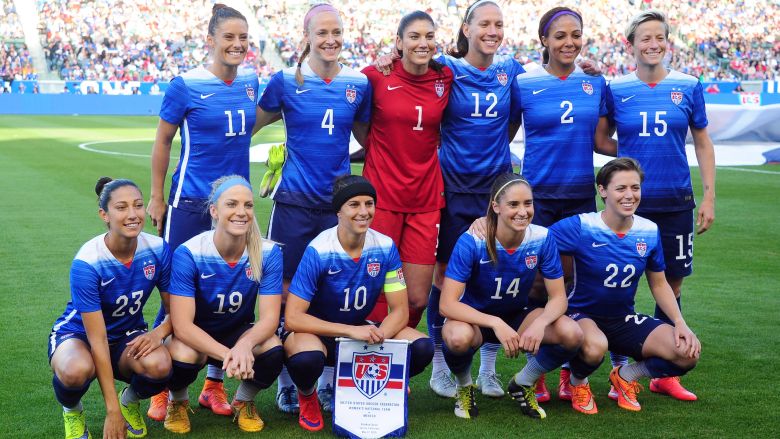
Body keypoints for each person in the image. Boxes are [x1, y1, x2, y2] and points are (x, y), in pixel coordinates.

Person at [255, 3, 372, 414]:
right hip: (292, 205)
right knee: (286, 294)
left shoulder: (357, 84)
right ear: (306, 37)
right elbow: (248, 125)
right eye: (321, 32)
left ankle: (324, 381)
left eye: (336, 31)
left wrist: (349, 167)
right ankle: (289, 384)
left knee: (330, 293)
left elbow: (369, 140)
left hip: (336, 208)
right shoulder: (285, 81)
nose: (330, 39)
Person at [146, 4, 259, 419]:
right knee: (175, 295)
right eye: (229, 36)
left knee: (232, 292)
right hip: (191, 204)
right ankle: (165, 387)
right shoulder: (186, 84)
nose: (237, 44)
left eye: (243, 37)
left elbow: (248, 123)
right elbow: (162, 142)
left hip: (234, 207)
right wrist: (157, 197)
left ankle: (213, 386)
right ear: (210, 40)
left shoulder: (251, 80)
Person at [605, 10, 715, 401]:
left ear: (667, 42)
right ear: (630, 44)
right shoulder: (616, 87)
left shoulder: (688, 85)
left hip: (675, 201)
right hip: (629, 204)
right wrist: (635, 156)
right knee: (623, 282)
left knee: (672, 282)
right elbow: (601, 139)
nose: (653, 45)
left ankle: (662, 371)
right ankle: (622, 365)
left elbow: (702, 141)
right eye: (644, 38)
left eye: (659, 38)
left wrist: (709, 195)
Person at [510, 6, 616, 403]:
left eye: (576, 35)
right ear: (544, 41)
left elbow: (603, 142)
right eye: (560, 36)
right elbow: (501, 135)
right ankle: (537, 369)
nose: (569, 42)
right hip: (537, 199)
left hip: (579, 198)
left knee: (572, 284)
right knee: (537, 285)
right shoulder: (524, 83)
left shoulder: (595, 82)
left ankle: (570, 371)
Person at [549, 157, 701, 413]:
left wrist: (679, 323)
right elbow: (534, 236)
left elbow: (660, 284)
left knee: (687, 353)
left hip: (622, 320)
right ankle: (577, 382)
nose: (629, 195)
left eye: (635, 187)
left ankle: (625, 376)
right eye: (621, 188)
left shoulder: (649, 230)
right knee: (595, 346)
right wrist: (487, 223)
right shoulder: (581, 226)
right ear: (603, 190)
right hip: (581, 316)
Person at [283, 175, 433, 431]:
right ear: (338, 210)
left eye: (369, 203)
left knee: (420, 348)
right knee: (307, 359)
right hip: (318, 333)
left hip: (360, 329)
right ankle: (307, 395)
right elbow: (294, 318)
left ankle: (366, 391)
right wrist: (351, 331)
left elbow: (400, 310)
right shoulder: (319, 250)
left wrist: (381, 335)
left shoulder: (385, 246)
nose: (364, 212)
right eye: (354, 204)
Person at [439, 173, 583, 420]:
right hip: (476, 318)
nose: (523, 211)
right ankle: (464, 386)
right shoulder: (472, 240)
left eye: (528, 203)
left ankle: (524, 382)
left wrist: (540, 323)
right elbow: (447, 304)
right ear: (495, 206)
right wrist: (495, 323)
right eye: (513, 204)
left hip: (518, 314)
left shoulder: (542, 237)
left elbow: (559, 297)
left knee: (572, 334)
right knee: (457, 338)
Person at [358, 8, 452, 360]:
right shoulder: (375, 76)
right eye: (413, 36)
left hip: (426, 199)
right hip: (381, 197)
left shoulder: (446, 77)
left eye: (429, 36)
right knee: (375, 289)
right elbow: (357, 122)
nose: (422, 43)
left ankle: (397, 355)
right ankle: (373, 359)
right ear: (398, 42)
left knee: (414, 297)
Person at [48, 177, 172, 439]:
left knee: (160, 364)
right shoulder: (88, 262)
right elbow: (98, 339)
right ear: (104, 214)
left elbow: (179, 312)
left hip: (126, 334)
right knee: (75, 370)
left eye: (138, 205)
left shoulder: (159, 249)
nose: (132, 214)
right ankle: (71, 409)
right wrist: (110, 411)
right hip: (80, 334)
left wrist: (157, 334)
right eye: (121, 207)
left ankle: (130, 400)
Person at [163, 176, 284, 434]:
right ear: (215, 211)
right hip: (196, 333)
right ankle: (178, 401)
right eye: (232, 204)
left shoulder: (269, 253)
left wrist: (244, 345)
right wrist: (230, 355)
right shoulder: (189, 253)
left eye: (248, 205)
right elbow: (182, 325)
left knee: (273, 348)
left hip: (236, 329)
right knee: (183, 356)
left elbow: (269, 320)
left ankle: (244, 400)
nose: (241, 212)